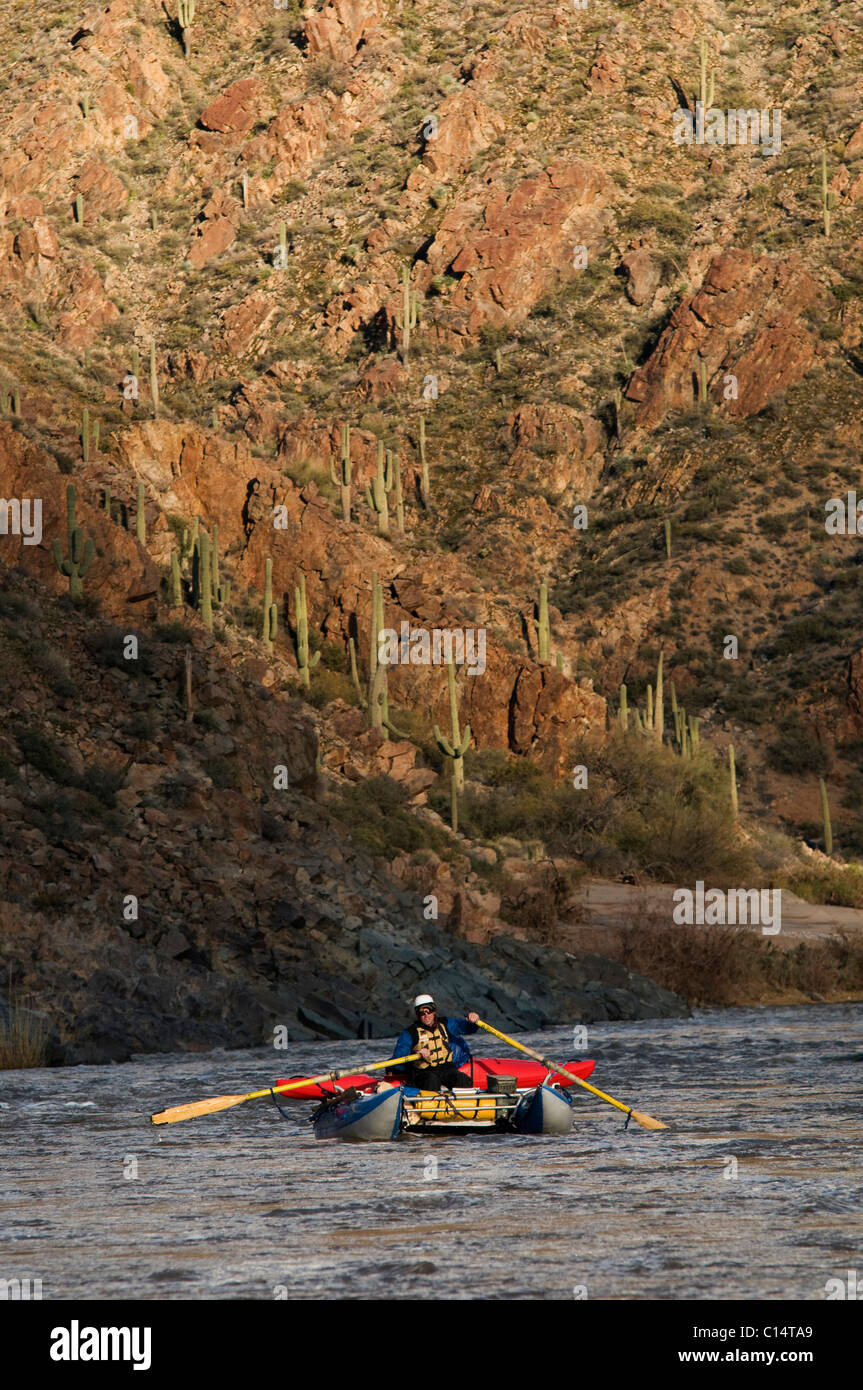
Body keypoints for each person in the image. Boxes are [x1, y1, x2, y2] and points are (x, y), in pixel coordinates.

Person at [389, 995, 479, 1092]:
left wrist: (472, 1021)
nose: (426, 1015)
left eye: (429, 1011)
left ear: (434, 1011)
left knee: (461, 1079)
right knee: (432, 1080)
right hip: (423, 1072)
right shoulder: (410, 1033)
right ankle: (430, 1105)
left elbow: (465, 1027)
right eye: (422, 1013)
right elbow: (399, 1058)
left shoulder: (445, 1023)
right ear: (417, 1014)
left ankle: (465, 1105)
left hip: (446, 1068)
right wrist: (416, 1054)